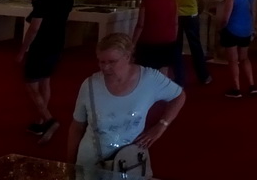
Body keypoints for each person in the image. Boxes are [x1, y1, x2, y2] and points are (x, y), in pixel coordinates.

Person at [67, 34, 185, 173]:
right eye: (101, 62)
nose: (105, 67)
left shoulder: (149, 79)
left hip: (130, 161)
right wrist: (70, 165)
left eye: (112, 61)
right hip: (92, 161)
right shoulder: (90, 85)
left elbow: (179, 96)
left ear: (127, 57)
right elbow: (77, 127)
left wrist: (161, 125)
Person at [18, 0, 74, 143]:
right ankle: (41, 121)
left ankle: (49, 119)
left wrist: (22, 51)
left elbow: (34, 29)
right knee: (45, 81)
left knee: (31, 84)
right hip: (57, 44)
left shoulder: (43, 0)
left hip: (41, 45)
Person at [165, 0, 211, 86]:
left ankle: (179, 78)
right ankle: (203, 76)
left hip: (174, 15)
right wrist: (200, 9)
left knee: (176, 47)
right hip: (191, 13)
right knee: (196, 46)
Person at [218, 0, 257, 98]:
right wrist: (253, 28)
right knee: (245, 58)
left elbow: (226, 17)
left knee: (233, 61)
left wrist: (221, 27)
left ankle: (236, 88)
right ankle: (252, 85)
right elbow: (253, 12)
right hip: (246, 30)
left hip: (232, 31)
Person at [131, 0, 177, 78]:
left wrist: (133, 43)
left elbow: (140, 25)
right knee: (163, 72)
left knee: (145, 72)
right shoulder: (172, 0)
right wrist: (173, 39)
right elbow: (175, 23)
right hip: (167, 40)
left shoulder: (147, 1)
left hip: (148, 41)